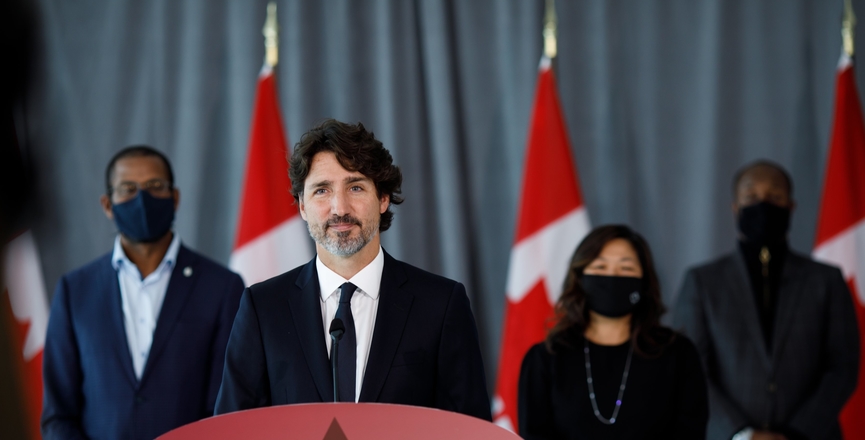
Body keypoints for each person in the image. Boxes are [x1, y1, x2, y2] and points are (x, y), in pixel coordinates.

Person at [214, 119, 491, 420]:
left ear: (383, 198)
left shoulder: (441, 304)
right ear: (302, 207)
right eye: (321, 190)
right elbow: (232, 429)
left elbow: (470, 430)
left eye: (355, 187)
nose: (339, 208)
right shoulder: (263, 308)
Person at [41, 146, 245, 439]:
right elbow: (58, 415)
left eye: (154, 186)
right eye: (127, 189)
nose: (142, 199)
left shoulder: (222, 287)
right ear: (108, 204)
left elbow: (226, 409)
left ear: (174, 198)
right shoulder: (75, 291)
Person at [673, 160, 860, 440]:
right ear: (735, 207)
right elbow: (689, 368)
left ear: (791, 206)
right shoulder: (702, 282)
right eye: (751, 197)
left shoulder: (827, 280)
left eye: (775, 197)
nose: (763, 204)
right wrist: (742, 433)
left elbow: (842, 367)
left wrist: (796, 432)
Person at [518, 224, 708, 439]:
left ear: (644, 281)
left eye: (626, 269)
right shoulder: (545, 359)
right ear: (579, 278)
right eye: (600, 268)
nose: (612, 277)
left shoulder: (678, 354)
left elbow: (690, 433)